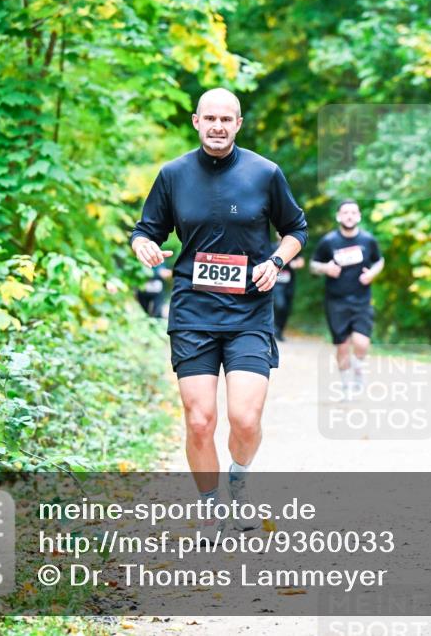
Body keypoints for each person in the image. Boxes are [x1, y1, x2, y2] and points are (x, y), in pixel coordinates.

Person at [130, 88, 307, 533]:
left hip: (249, 311)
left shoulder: (264, 173)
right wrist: (145, 245)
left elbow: (295, 229)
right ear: (196, 121)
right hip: (194, 309)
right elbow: (145, 230)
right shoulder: (173, 174)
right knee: (199, 419)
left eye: (226, 120)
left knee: (245, 419)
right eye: (210, 118)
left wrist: (276, 261)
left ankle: (239, 478)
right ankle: (210, 505)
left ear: (238, 124)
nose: (217, 126)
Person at [310, 199, 384, 394]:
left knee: (362, 342)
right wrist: (326, 268)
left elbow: (380, 261)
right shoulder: (329, 241)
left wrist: (372, 274)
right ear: (338, 216)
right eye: (345, 212)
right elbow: (313, 265)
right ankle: (346, 386)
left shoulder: (368, 240)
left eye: (353, 212)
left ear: (359, 216)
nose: (349, 216)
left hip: (361, 299)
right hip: (336, 301)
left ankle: (358, 369)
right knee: (342, 346)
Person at [271, 236, 305, 341]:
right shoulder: (271, 247)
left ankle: (279, 331)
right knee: (279, 305)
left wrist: (296, 264)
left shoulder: (293, 247)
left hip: (289, 283)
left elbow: (301, 261)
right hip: (275, 283)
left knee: (286, 308)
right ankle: (273, 329)